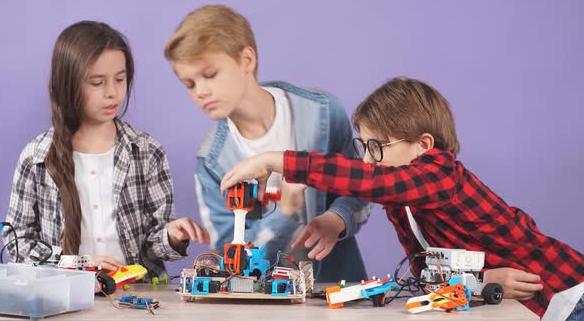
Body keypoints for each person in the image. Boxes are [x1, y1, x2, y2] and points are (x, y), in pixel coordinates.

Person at [220, 77, 584, 319]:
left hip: (568, 295)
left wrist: (274, 160)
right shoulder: (404, 201)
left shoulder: (440, 173)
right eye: (364, 146)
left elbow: (366, 180)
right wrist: (482, 281)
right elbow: (429, 275)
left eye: (376, 147)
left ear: (423, 146)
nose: (367, 159)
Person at [163, 5, 370, 281]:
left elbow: (363, 186)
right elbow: (229, 258)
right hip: (261, 300)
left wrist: (337, 220)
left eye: (210, 74)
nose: (200, 91)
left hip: (332, 290)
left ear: (246, 59)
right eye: (189, 84)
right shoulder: (212, 162)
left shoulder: (321, 112)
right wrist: (284, 211)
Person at [3, 21, 209, 277]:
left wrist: (171, 235)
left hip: (134, 300)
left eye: (120, 79)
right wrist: (77, 263)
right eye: (97, 82)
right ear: (68, 83)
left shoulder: (147, 151)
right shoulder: (36, 157)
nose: (113, 92)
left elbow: (152, 246)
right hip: (62, 298)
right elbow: (16, 241)